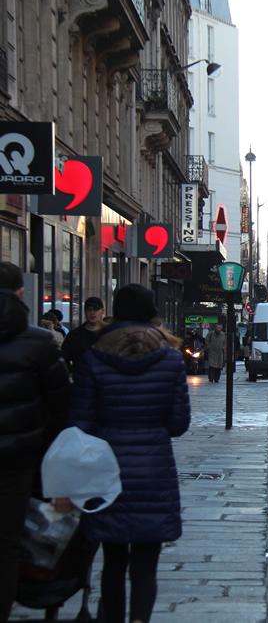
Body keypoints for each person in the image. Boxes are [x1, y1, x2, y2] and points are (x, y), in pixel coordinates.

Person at [64, 283, 190, 623]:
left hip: (106, 472)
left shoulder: (93, 358)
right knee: (145, 568)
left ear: (114, 313)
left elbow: (80, 425)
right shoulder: (171, 358)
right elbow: (179, 424)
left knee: (113, 562)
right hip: (153, 471)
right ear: (152, 314)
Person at [0, 262, 72, 621]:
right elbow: (61, 405)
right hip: (18, 461)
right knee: (9, 543)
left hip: (22, 455)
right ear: (20, 293)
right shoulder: (40, 342)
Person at [62, 297, 107, 374]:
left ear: (102, 311)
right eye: (89, 309)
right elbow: (63, 359)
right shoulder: (74, 336)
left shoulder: (110, 333)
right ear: (85, 311)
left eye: (95, 309)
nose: (92, 312)